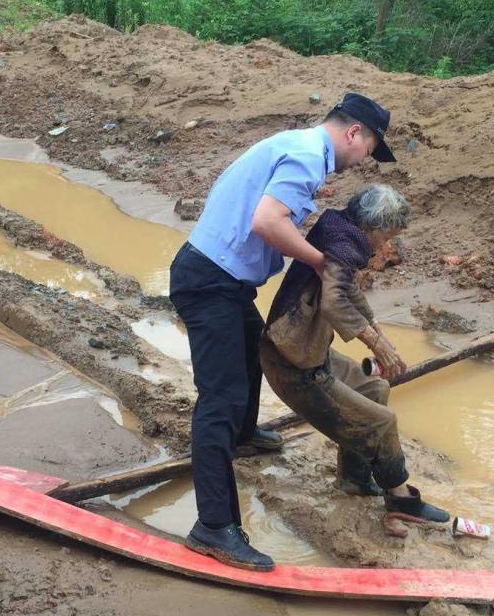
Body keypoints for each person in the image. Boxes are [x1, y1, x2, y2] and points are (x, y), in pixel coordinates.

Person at [169, 93, 397, 571]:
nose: (362, 162)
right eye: (369, 148)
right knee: (219, 400)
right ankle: (212, 526)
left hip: (220, 277)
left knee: (253, 350)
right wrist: (322, 262)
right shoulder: (310, 156)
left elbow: (267, 207)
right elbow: (267, 221)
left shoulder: (297, 146)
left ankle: (245, 433)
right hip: (210, 281)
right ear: (354, 133)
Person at [260, 185, 451, 525]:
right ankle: (400, 499)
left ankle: (355, 479)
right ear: (375, 227)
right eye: (387, 235)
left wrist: (379, 333)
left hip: (306, 350)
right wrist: (375, 345)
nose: (385, 245)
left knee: (375, 388)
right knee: (382, 422)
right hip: (292, 364)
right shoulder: (348, 242)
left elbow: (347, 288)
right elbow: (335, 301)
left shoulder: (338, 226)